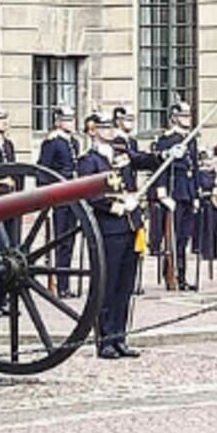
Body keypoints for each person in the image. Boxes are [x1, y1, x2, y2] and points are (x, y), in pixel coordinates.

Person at [77, 112, 147, 359]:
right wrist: (117, 206)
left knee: (125, 286)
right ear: (93, 131)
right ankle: (105, 339)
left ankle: (120, 337)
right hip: (109, 227)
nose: (109, 131)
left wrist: (168, 155)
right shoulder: (89, 161)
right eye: (104, 127)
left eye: (111, 127)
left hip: (129, 226)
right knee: (108, 284)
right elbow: (90, 195)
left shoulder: (121, 154)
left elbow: (143, 161)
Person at [151, 101, 200, 291]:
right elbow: (161, 169)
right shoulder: (167, 139)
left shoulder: (191, 138)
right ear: (174, 117)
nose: (188, 119)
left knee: (184, 239)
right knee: (172, 238)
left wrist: (195, 194)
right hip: (174, 192)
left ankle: (182, 275)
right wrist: (162, 194)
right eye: (184, 116)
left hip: (187, 191)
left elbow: (193, 168)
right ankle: (172, 274)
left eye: (188, 115)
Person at [37, 106, 82, 298]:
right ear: (57, 122)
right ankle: (58, 283)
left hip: (72, 195)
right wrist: (45, 199)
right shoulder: (52, 142)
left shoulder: (74, 142)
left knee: (69, 242)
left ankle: (65, 283)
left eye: (72, 119)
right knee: (61, 241)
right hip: (59, 196)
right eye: (67, 120)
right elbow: (43, 170)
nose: (71, 122)